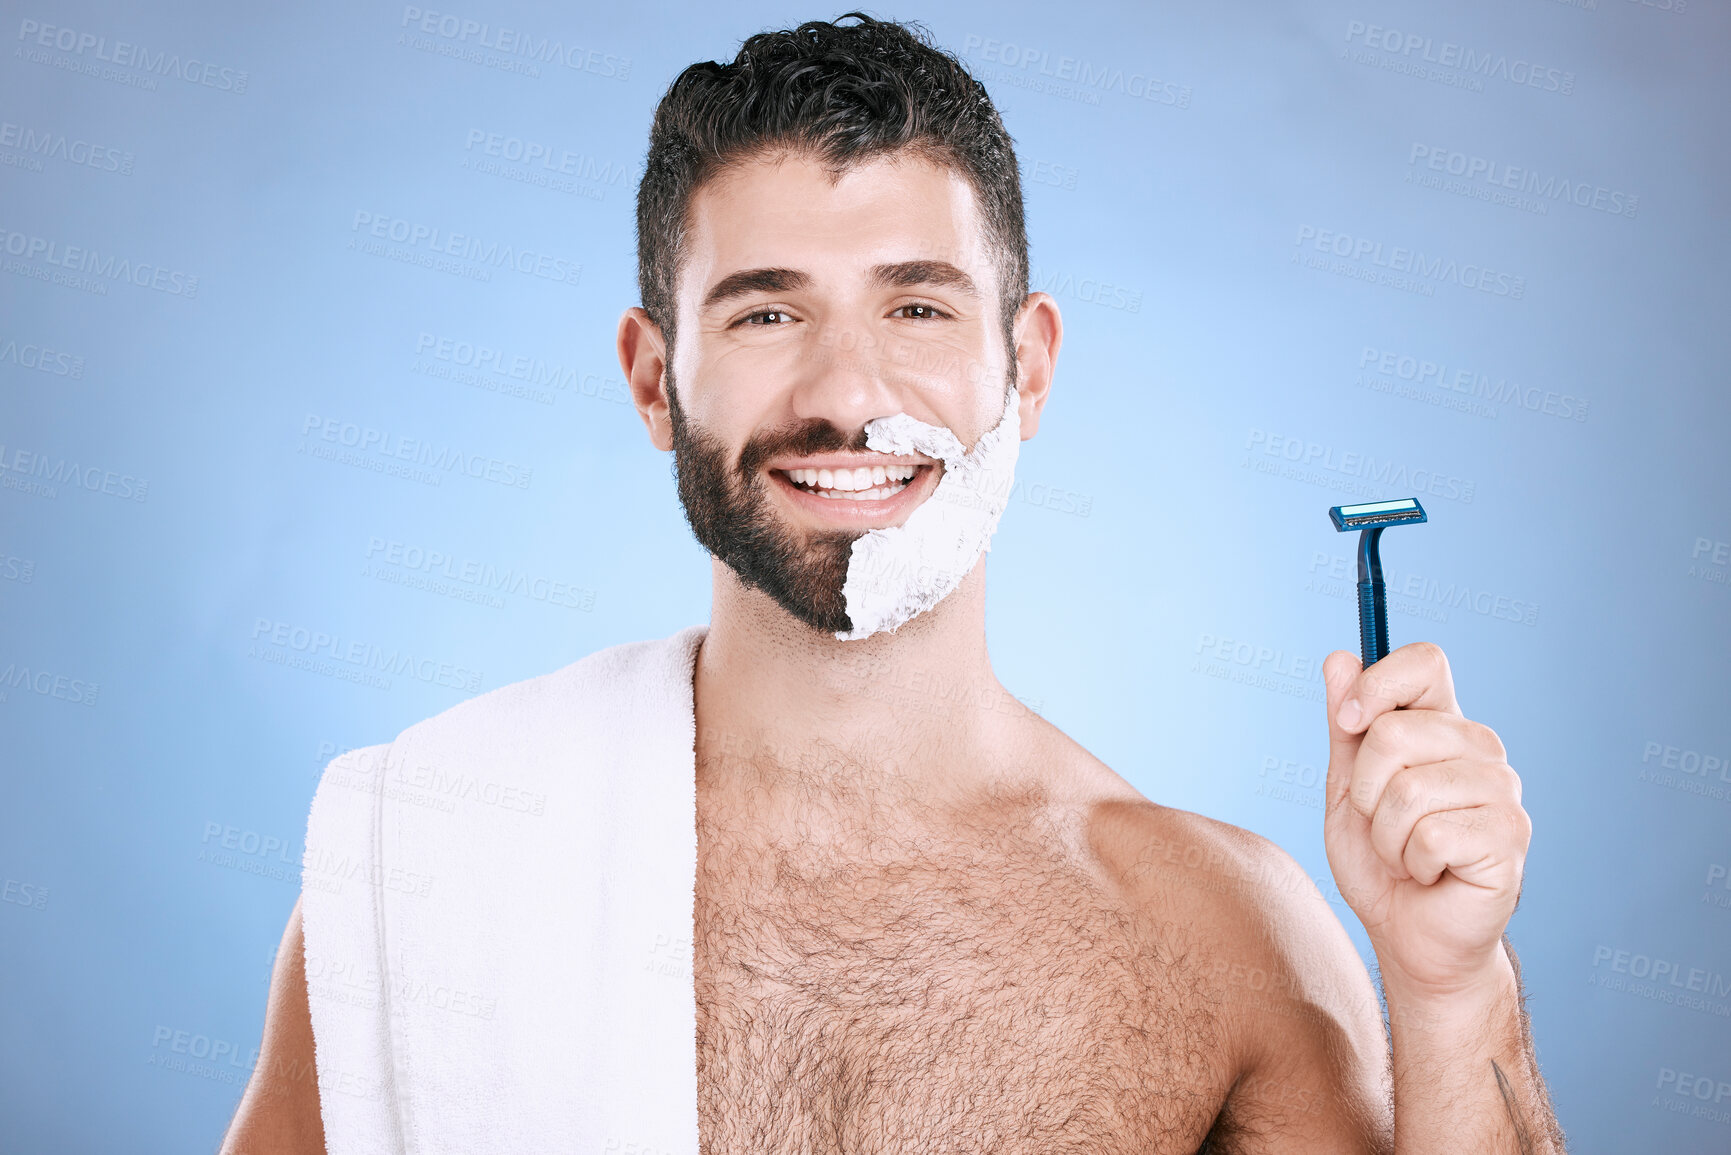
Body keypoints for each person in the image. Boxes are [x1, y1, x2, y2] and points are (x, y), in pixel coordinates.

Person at [223, 14, 1564, 1153]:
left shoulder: (1222, 940)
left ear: (1027, 368)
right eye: (766, 312)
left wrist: (1451, 989)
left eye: (916, 306)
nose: (847, 394)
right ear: (651, 377)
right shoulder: (434, 859)